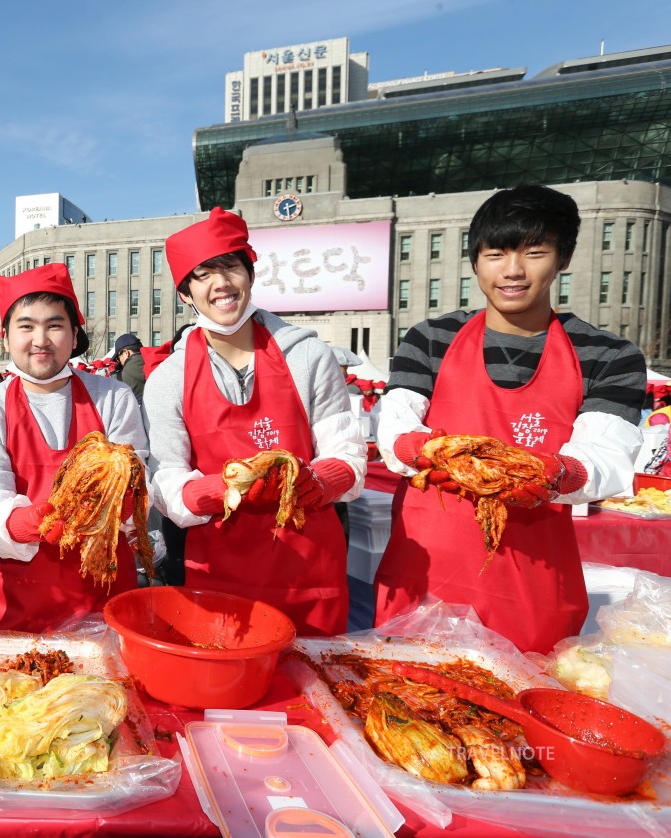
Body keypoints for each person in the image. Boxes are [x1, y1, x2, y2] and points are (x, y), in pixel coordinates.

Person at [375, 185, 646, 654]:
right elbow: (396, 428)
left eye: (535, 252)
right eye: (495, 254)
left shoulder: (609, 355)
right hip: (425, 579)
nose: (513, 271)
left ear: (564, 257)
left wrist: (550, 474)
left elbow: (606, 458)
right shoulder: (430, 339)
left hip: (530, 585)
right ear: (475, 261)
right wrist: (423, 452)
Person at [145, 208, 366, 636]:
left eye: (230, 267)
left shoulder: (308, 356)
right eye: (203, 274)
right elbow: (165, 483)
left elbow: (349, 456)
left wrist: (316, 480)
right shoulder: (169, 378)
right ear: (186, 293)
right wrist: (214, 490)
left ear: (250, 273)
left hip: (309, 574)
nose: (221, 284)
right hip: (219, 579)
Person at [0, 263, 148, 631]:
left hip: (104, 597)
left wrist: (131, 499)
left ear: (75, 334)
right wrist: (23, 522)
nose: (40, 339)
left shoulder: (113, 397)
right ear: (6, 335)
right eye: (26, 326)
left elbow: (137, 472)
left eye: (54, 325)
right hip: (19, 601)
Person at [113, 333, 147, 403]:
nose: (118, 361)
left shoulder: (121, 376)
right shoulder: (156, 364)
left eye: (118, 357)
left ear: (126, 352)